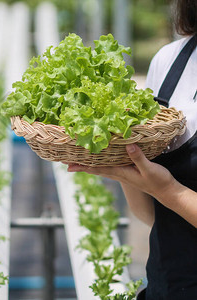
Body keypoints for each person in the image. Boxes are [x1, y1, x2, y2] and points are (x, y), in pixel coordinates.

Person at [67, 0, 197, 299]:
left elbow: (167, 195)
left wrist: (169, 191)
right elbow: (153, 217)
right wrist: (121, 163)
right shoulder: (170, 61)